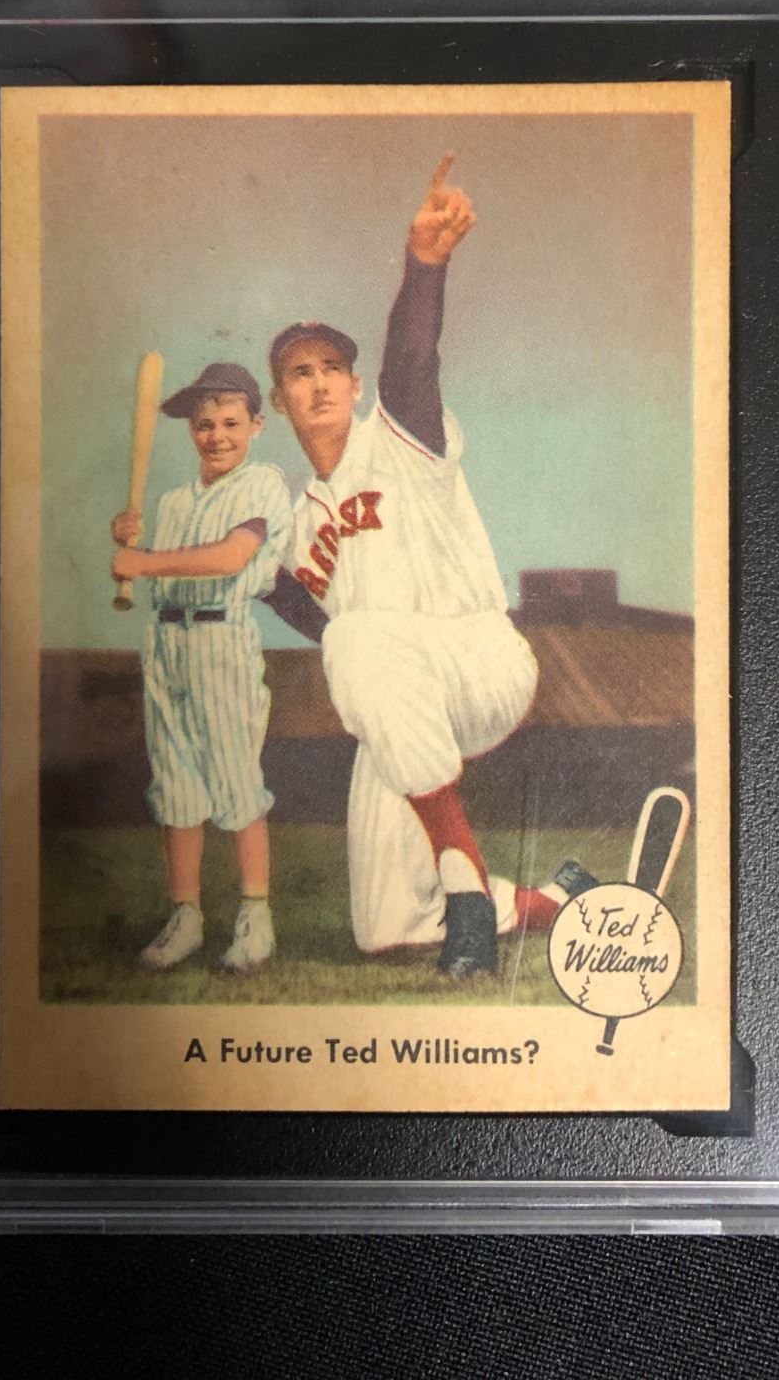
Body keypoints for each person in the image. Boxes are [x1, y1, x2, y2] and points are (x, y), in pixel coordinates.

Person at [264, 156, 594, 980]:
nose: (318, 383)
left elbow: (412, 359)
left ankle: (465, 888)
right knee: (386, 928)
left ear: (354, 385)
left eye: (331, 368)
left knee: (356, 636)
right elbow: (291, 603)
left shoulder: (397, 434)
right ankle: (559, 899)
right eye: (300, 373)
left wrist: (424, 266)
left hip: (476, 659)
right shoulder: (297, 527)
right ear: (279, 401)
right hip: (398, 696)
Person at [110, 362, 292, 975]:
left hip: (222, 639)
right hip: (165, 641)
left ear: (256, 424)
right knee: (176, 785)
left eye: (231, 423)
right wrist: (129, 543)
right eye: (204, 424)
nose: (217, 436)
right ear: (191, 429)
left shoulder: (263, 482)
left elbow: (230, 557)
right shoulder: (170, 502)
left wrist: (143, 562)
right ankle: (185, 916)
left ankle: (256, 918)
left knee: (237, 781)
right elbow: (154, 565)